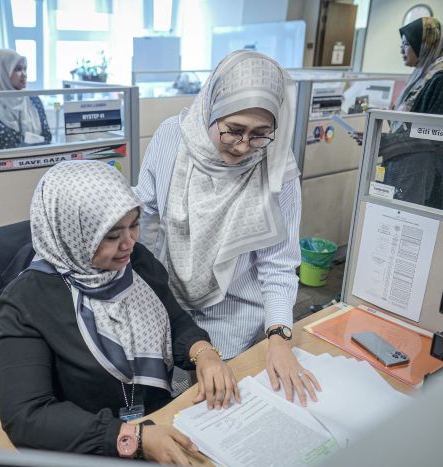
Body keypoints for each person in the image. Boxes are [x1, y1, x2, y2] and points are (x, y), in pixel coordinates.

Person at [0, 161, 239, 463]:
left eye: (134, 224)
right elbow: (26, 416)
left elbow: (174, 320)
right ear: (74, 233)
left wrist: (204, 352)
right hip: (94, 447)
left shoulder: (136, 262)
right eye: (111, 236)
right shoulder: (24, 302)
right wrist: (129, 437)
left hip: (161, 423)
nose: (129, 243)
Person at [134, 50, 321, 406]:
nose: (243, 146)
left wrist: (279, 337)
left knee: (216, 406)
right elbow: (145, 213)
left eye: (260, 134)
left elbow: (278, 264)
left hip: (235, 312)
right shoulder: (172, 137)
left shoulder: (276, 167)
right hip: (169, 300)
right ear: (212, 107)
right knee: (166, 398)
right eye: (233, 130)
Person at [372, 17, 443, 209]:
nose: (401, 50)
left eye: (406, 44)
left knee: (408, 224)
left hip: (421, 175)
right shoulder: (422, 76)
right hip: (405, 168)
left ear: (425, 46)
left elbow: (435, 138)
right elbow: (410, 126)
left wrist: (384, 141)